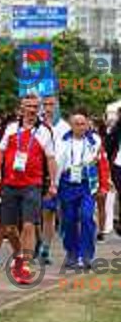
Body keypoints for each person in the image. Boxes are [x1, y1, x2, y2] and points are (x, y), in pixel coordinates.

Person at [0, 94, 56, 284]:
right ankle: (19, 256)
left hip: (33, 184)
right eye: (28, 106)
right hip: (9, 183)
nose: (31, 110)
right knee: (10, 228)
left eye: (34, 106)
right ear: (21, 109)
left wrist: (53, 183)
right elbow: (0, 152)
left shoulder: (44, 131)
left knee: (29, 225)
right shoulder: (10, 129)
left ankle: (25, 265)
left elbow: (51, 159)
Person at [56, 110, 101, 268]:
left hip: (86, 184)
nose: (81, 127)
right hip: (67, 182)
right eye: (77, 124)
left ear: (88, 124)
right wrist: (54, 185)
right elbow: (58, 163)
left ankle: (86, 254)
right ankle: (72, 253)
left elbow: (95, 158)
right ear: (71, 125)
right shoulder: (63, 140)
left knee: (87, 216)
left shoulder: (94, 140)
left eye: (83, 124)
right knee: (69, 220)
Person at [38, 96, 71, 265]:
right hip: (42, 176)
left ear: (58, 106)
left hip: (62, 176)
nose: (48, 107)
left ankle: (62, 248)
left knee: (62, 214)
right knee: (44, 214)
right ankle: (43, 247)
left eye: (52, 104)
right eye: (46, 104)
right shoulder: (38, 126)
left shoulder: (65, 127)